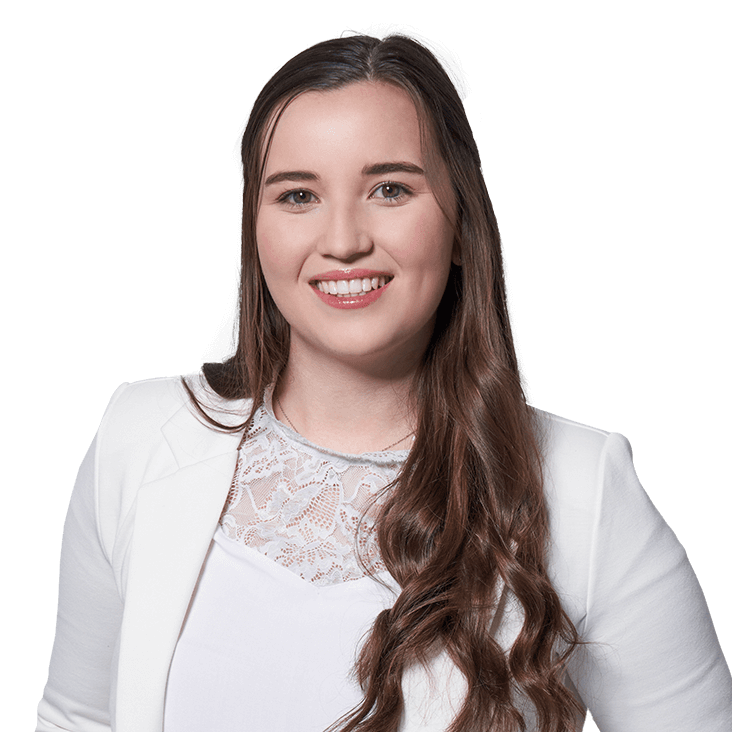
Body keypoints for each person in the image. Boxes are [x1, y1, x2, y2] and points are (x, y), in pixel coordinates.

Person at [37, 27, 730, 732]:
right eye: (297, 195)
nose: (343, 241)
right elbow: (76, 719)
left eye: (390, 189)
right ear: (255, 231)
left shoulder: (585, 486)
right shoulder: (139, 434)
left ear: (461, 224)